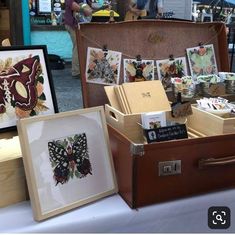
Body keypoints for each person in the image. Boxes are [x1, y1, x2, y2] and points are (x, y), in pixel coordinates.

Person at [64, 0, 93, 78]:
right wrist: (85, 11)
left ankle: (82, 69)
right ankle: (76, 72)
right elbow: (72, 4)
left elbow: (89, 8)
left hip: (81, 24)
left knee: (81, 46)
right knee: (78, 46)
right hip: (73, 24)